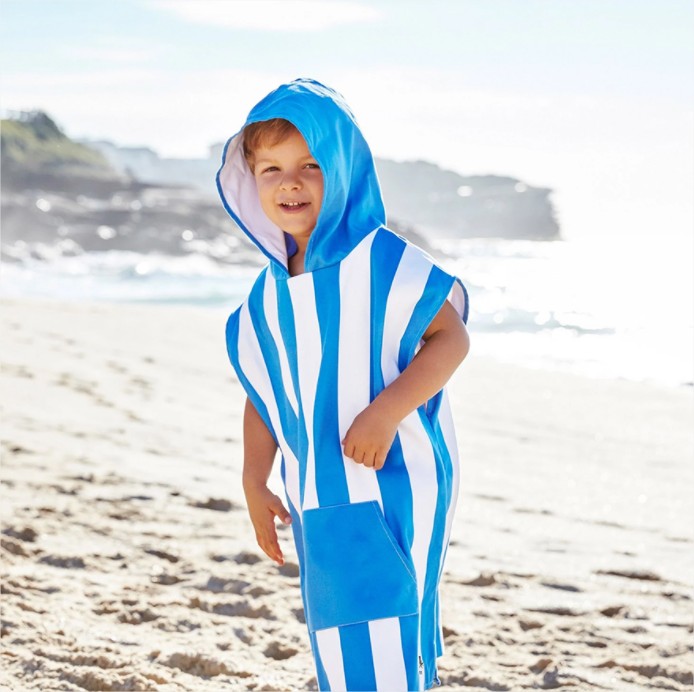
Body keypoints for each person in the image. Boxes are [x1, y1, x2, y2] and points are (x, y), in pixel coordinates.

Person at [217, 78, 470, 692]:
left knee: (383, 632)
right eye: (272, 170)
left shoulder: (378, 259)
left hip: (394, 479)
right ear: (251, 180)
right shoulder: (268, 292)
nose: (291, 183)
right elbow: (266, 390)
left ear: (345, 168)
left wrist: (385, 413)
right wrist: (253, 478)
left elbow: (450, 338)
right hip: (317, 491)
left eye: (311, 165)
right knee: (343, 634)